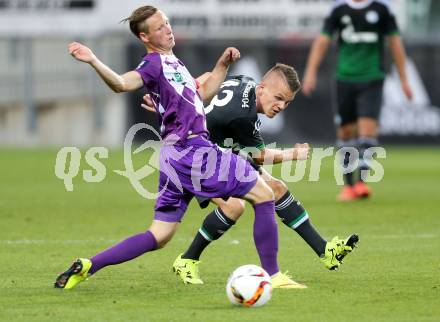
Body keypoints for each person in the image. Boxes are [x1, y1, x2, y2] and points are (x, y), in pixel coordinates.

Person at [54, 5, 299, 290]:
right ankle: (273, 275)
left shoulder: (174, 63)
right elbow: (122, 83)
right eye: (159, 28)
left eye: (167, 23)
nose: (167, 29)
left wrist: (222, 65)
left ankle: (88, 265)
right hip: (192, 150)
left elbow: (202, 94)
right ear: (145, 37)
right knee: (264, 194)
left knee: (159, 235)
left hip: (174, 156)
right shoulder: (153, 64)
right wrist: (94, 60)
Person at [142, 64, 359, 286]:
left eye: (287, 102)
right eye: (278, 98)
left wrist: (171, 101)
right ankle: (188, 260)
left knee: (276, 188)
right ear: (262, 88)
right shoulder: (242, 116)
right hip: (195, 157)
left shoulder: (245, 82)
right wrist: (294, 154)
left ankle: (325, 251)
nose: (281, 106)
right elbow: (259, 156)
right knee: (234, 207)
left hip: (218, 149)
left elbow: (209, 77)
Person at [302, 0, 413, 201]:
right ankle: (349, 186)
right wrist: (310, 72)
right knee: (346, 133)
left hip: (372, 77)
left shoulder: (382, 9)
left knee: (367, 129)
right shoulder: (338, 9)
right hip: (345, 78)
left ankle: (361, 183)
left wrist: (404, 79)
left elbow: (395, 43)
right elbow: (322, 41)